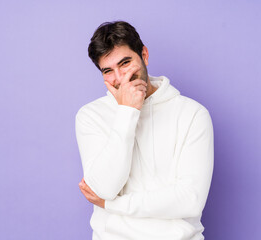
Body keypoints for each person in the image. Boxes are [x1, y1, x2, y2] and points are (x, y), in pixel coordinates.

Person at [75, 21, 214, 240]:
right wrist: (127, 111)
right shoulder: (90, 116)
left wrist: (112, 205)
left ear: (144, 55)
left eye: (125, 63)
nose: (120, 78)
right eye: (108, 71)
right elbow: (104, 189)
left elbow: (190, 200)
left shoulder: (192, 114)